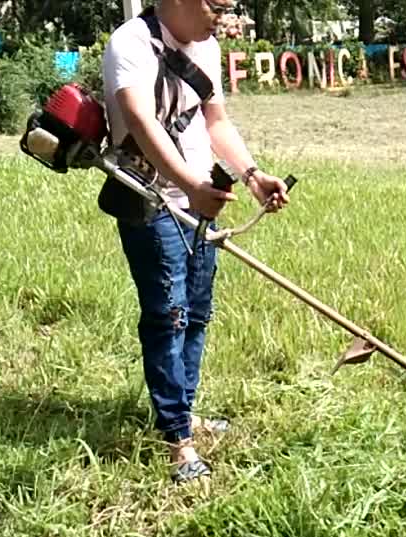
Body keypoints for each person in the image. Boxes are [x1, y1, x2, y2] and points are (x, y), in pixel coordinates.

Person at [101, 0, 289, 483]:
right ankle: (177, 440)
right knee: (169, 316)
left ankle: (183, 413)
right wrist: (188, 187)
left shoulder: (206, 48)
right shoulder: (131, 44)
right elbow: (140, 122)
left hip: (197, 201)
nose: (223, 16)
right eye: (217, 4)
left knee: (197, 313)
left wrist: (251, 176)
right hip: (152, 203)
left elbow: (215, 121)